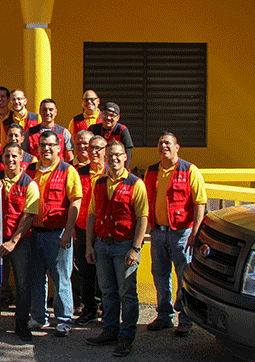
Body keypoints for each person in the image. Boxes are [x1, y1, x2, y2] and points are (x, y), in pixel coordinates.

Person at [85, 140, 148, 357]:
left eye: (118, 155)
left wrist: (136, 248)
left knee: (127, 293)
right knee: (108, 293)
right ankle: (109, 330)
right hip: (103, 245)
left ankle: (126, 337)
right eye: (109, 155)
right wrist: (89, 245)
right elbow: (92, 214)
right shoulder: (100, 183)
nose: (113, 158)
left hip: (125, 246)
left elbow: (142, 217)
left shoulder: (135, 184)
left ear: (125, 157)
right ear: (105, 157)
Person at [144, 132, 207, 337]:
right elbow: (147, 202)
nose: (164, 146)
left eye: (168, 143)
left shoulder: (189, 170)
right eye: (161, 143)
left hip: (181, 233)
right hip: (158, 233)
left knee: (183, 276)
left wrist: (195, 232)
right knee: (160, 276)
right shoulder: (152, 171)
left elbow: (200, 202)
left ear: (177, 147)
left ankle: (185, 319)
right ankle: (164, 316)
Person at [0, 142, 39, 341]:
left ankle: (21, 323)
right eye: (7, 156)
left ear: (21, 158)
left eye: (14, 156)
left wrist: (13, 241)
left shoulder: (29, 184)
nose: (10, 160)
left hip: (20, 242)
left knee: (22, 284)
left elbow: (28, 216)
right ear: (2, 159)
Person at [27, 131, 82, 336]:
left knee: (61, 278)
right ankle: (38, 317)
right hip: (33, 233)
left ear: (59, 147)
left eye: (51, 145)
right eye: (43, 145)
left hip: (57, 234)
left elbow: (75, 201)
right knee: (36, 277)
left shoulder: (68, 170)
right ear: (38, 148)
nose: (46, 148)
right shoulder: (30, 170)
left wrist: (68, 232)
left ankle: (64, 320)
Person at [74, 135, 107, 326]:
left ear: (105, 150)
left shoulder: (111, 172)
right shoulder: (78, 172)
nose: (93, 152)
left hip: (104, 230)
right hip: (81, 228)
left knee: (104, 271)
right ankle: (89, 310)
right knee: (85, 272)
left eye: (98, 148)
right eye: (91, 148)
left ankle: (105, 307)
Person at [25, 98, 74, 163]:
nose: (47, 113)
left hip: (57, 171)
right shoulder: (29, 132)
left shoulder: (64, 132)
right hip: (35, 171)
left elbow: (70, 157)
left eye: (51, 110)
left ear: (56, 112)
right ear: (40, 111)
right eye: (44, 110)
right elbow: (24, 156)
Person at [89, 102, 134, 168]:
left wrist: (125, 170)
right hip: (96, 167)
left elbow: (128, 151)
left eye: (112, 115)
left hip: (116, 166)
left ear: (118, 118)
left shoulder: (122, 130)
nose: (108, 118)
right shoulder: (93, 129)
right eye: (105, 114)